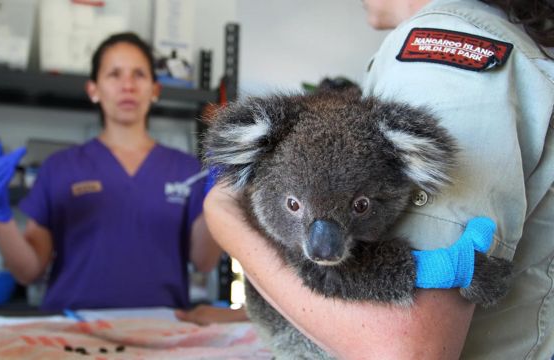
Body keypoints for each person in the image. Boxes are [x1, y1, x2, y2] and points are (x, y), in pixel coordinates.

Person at [203, 0, 554, 358]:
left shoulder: (444, 47)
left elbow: (403, 348)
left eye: (361, 205)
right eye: (294, 205)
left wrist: (226, 222)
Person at [0, 32, 222, 312]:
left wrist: (216, 201)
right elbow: (28, 271)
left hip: (160, 333)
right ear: (93, 89)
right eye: (114, 74)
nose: (127, 85)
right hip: (72, 331)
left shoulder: (187, 170)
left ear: (155, 90)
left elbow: (204, 263)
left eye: (139, 74)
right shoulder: (60, 167)